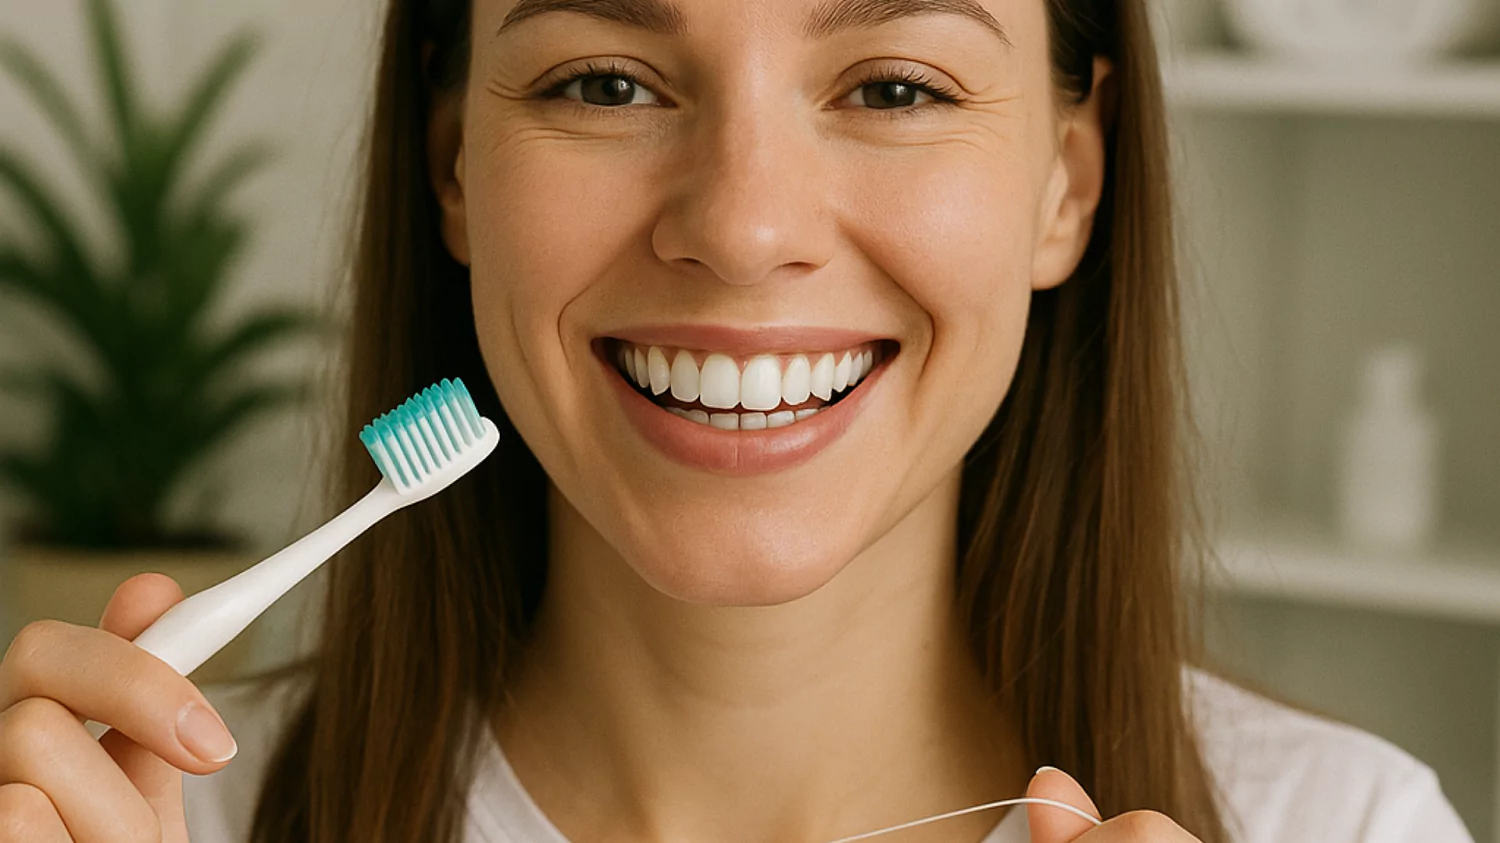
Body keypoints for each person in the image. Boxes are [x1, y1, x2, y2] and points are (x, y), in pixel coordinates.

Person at [0, 0, 1475, 841]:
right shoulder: (163, 817)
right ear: (454, 171)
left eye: (895, 84)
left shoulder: (1349, 828)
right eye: (605, 81)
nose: (746, 224)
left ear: (1066, 187)